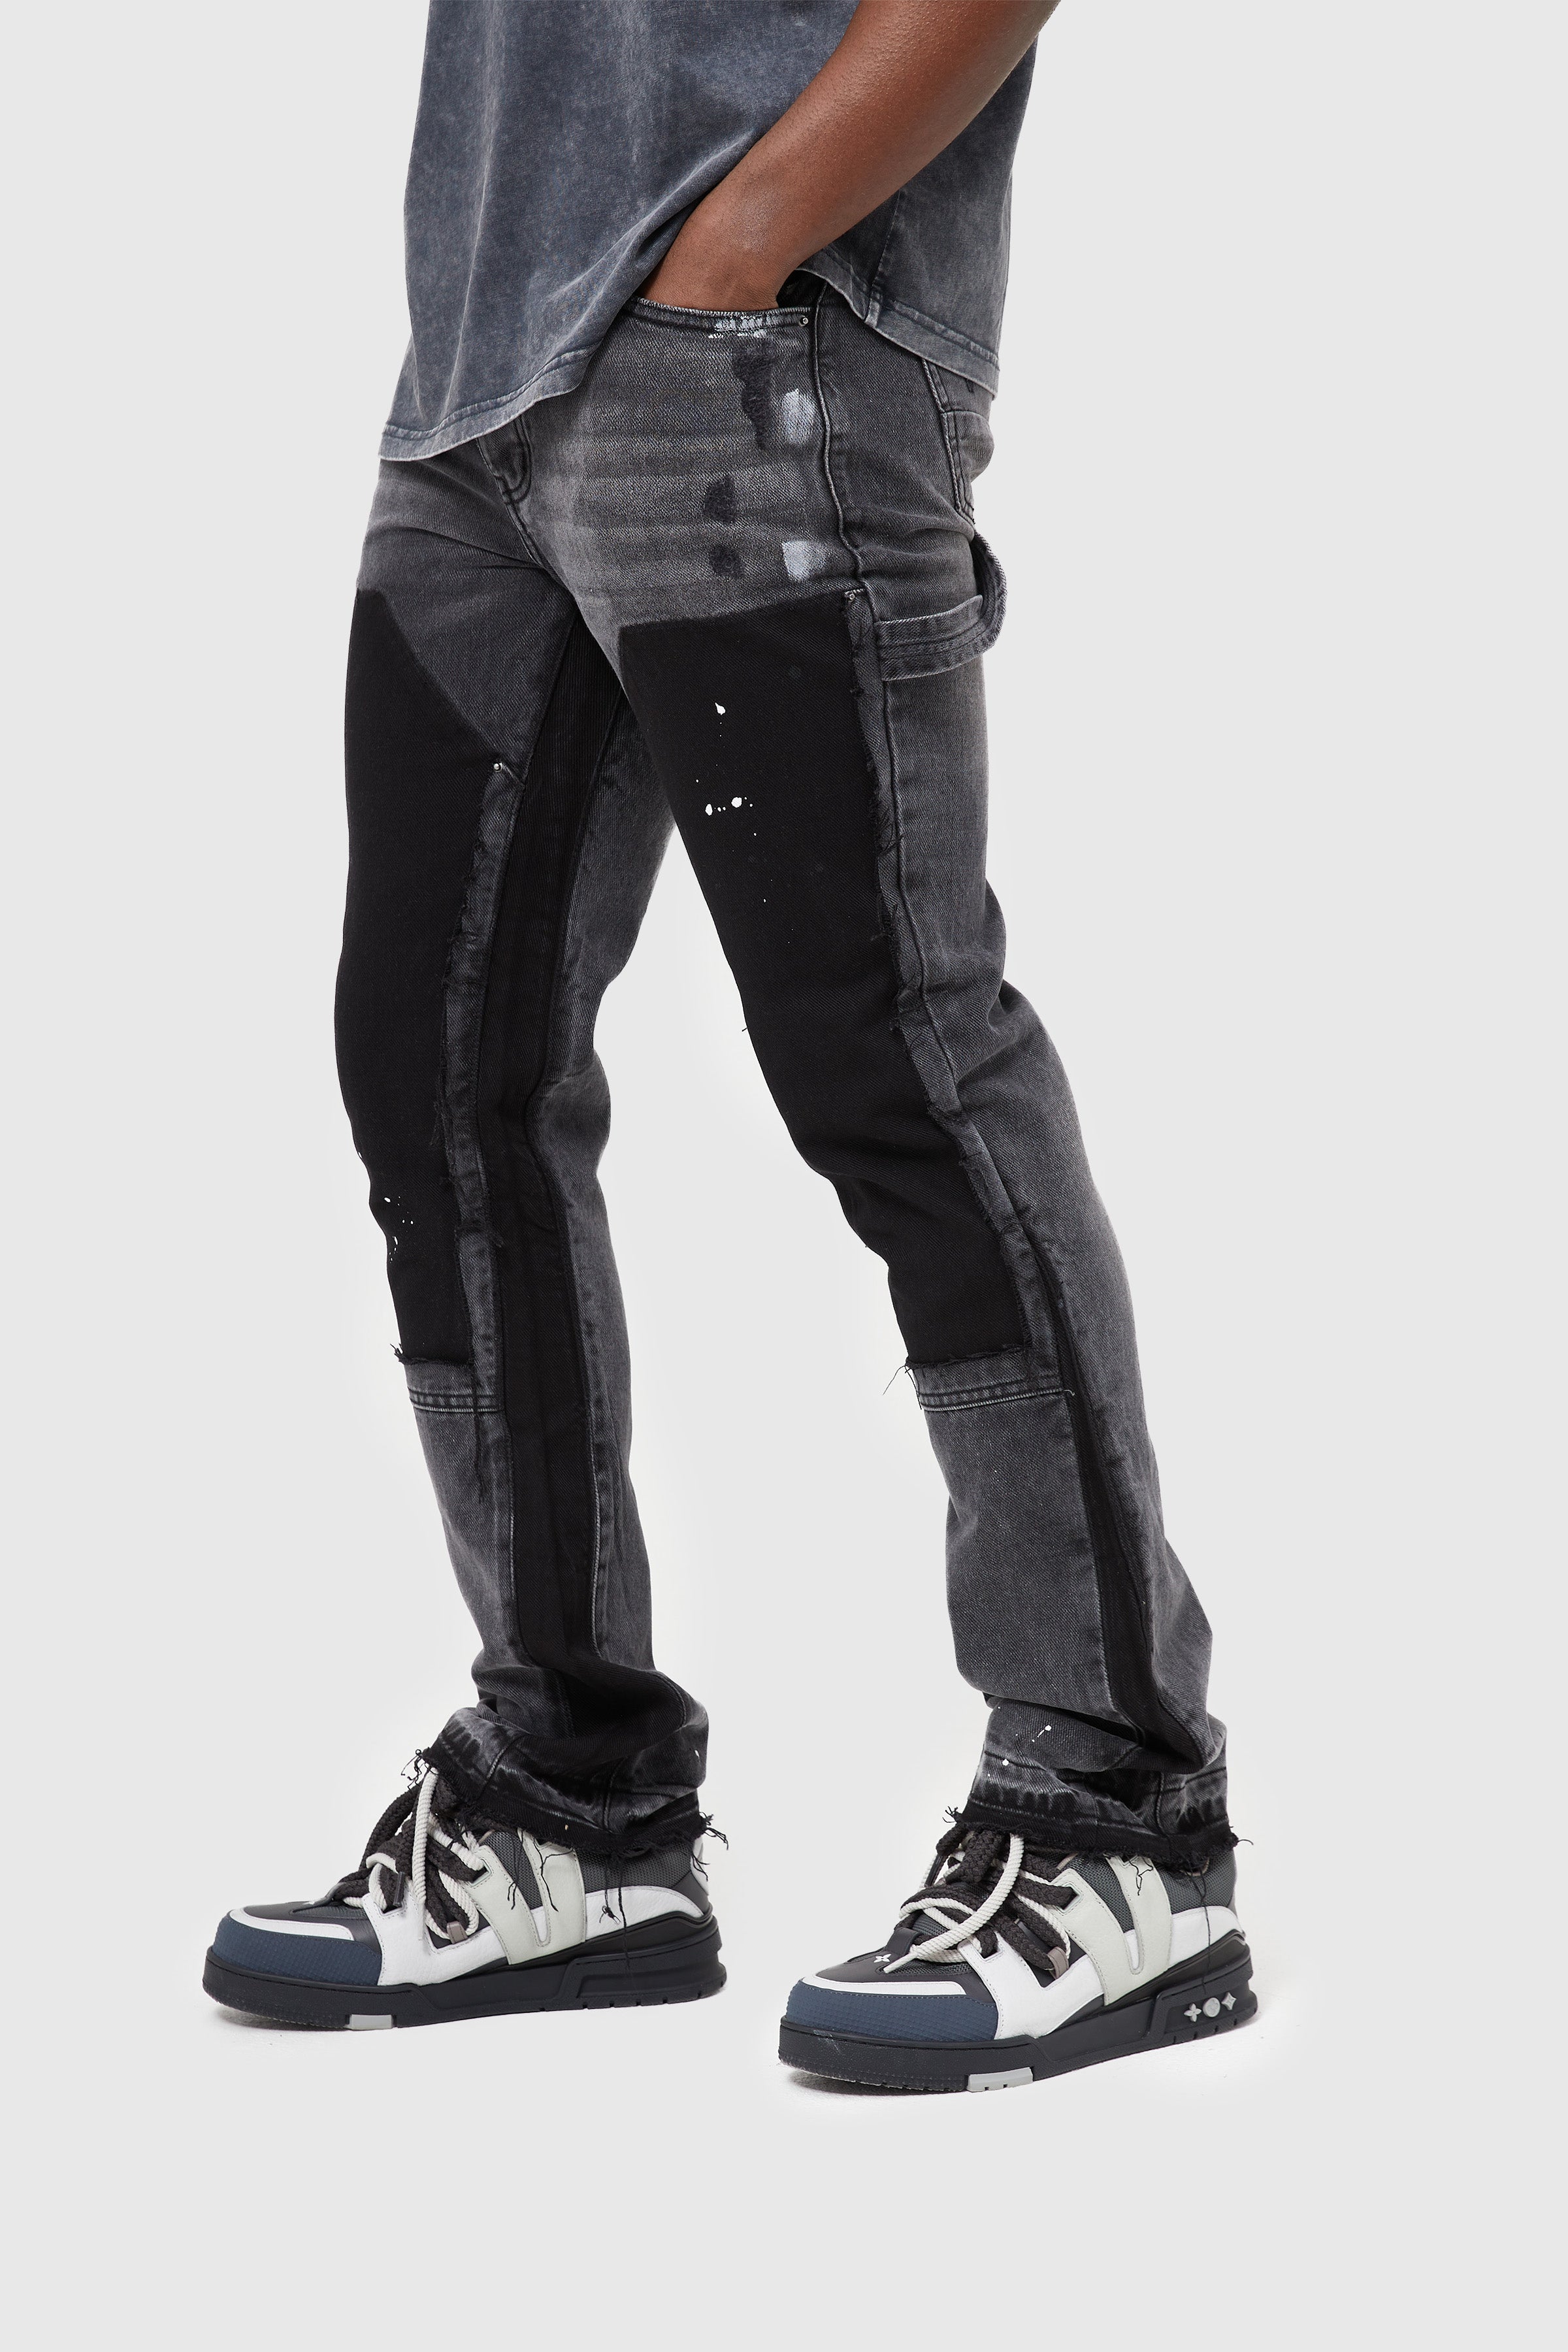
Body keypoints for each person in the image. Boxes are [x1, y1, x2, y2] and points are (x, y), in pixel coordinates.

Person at [204, 0, 1253, 2089]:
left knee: (896, 1065)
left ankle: (1118, 1815)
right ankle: (572, 1799)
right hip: (477, 379)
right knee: (433, 1081)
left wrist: (750, 240)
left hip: (758, 359)